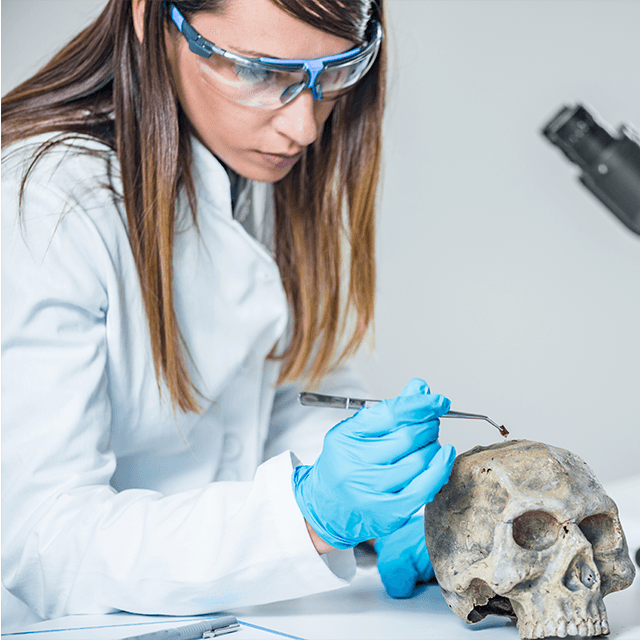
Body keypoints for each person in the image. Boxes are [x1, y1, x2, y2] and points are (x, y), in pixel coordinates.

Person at [0, 0, 455, 631]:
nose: (305, 126)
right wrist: (308, 516)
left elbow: (278, 396)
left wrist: (385, 501)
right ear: (148, 17)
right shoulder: (40, 204)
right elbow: (42, 546)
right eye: (261, 71)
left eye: (334, 72)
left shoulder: (244, 166)